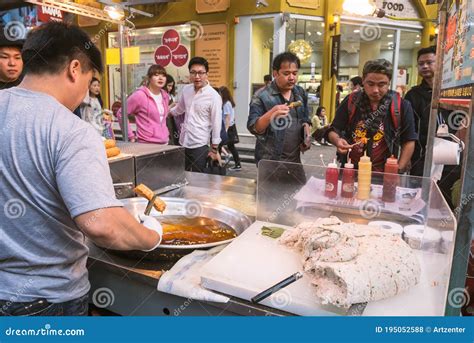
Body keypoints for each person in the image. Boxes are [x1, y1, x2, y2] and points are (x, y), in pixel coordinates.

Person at [0, 22, 161, 317]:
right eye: (89, 82)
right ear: (75, 68)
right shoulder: (71, 130)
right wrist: (153, 235)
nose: (86, 94)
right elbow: (101, 224)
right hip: (46, 301)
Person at [327, 59, 418, 173]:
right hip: (350, 169)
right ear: (363, 80)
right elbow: (333, 129)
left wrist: (397, 170)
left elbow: (409, 139)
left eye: (381, 84)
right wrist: (337, 141)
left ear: (389, 82)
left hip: (384, 172)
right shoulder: (351, 101)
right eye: (370, 84)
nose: (375, 90)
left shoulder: (401, 105)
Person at [248, 51, 311, 165]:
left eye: (295, 73)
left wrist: (306, 132)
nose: (292, 78)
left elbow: (305, 118)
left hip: (294, 161)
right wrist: (271, 114)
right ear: (275, 73)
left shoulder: (300, 92)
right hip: (270, 162)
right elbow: (254, 128)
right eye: (286, 73)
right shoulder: (261, 96)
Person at [170, 57, 222, 173]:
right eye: (193, 72)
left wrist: (214, 149)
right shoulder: (186, 90)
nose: (197, 76)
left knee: (199, 179)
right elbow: (180, 108)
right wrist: (168, 112)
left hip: (200, 145)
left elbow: (216, 123)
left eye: (200, 73)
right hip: (183, 142)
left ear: (207, 74)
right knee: (181, 176)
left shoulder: (213, 96)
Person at [404, 46, 438, 177]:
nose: (424, 66)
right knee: (417, 192)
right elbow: (406, 129)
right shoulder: (413, 95)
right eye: (420, 64)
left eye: (429, 62)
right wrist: (406, 157)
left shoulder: (451, 94)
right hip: (419, 156)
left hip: (449, 155)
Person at [117, 64, 170, 144]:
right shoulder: (140, 95)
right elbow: (121, 113)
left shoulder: (165, 95)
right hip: (146, 143)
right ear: (149, 78)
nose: (160, 78)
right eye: (156, 75)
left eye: (163, 75)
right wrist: (130, 136)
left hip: (164, 142)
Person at [219, 86, 241, 171]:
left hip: (228, 128)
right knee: (230, 146)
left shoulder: (226, 103)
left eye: (220, 93)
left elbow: (227, 118)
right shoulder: (227, 103)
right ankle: (237, 164)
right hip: (229, 127)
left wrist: (225, 130)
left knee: (222, 145)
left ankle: (219, 164)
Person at [165, 74, 181, 145]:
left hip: (172, 121)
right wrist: (172, 105)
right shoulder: (161, 96)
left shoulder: (171, 96)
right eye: (169, 86)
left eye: (172, 86)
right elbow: (162, 111)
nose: (170, 88)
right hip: (165, 121)